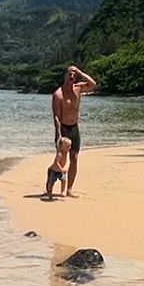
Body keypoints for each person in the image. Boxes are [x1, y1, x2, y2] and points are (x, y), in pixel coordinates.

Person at [51, 63, 96, 197]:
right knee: (61, 159)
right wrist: (58, 133)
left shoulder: (78, 88)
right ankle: (51, 186)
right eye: (69, 74)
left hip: (74, 127)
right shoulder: (58, 94)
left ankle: (69, 189)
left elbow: (93, 84)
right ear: (65, 76)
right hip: (64, 128)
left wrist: (79, 72)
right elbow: (56, 116)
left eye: (73, 75)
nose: (71, 77)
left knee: (74, 158)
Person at [44, 132, 73, 200]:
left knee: (64, 180)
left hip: (60, 171)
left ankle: (62, 191)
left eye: (70, 146)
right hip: (53, 170)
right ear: (62, 147)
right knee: (51, 182)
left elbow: (65, 162)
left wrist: (65, 168)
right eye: (67, 146)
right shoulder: (59, 154)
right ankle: (49, 192)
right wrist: (61, 169)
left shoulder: (66, 153)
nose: (69, 148)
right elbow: (56, 162)